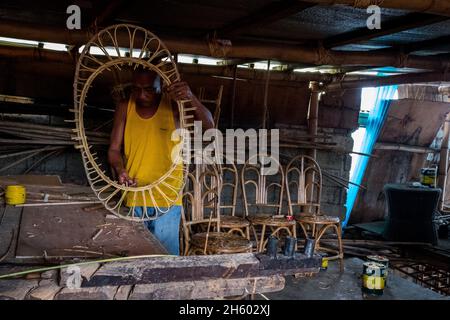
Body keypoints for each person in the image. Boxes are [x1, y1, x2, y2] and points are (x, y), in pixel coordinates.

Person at [108, 66, 214, 255]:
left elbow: (210, 127)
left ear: (161, 86)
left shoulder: (174, 107)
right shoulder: (126, 106)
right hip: (134, 197)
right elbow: (114, 150)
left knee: (165, 261)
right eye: (136, 88)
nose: (141, 95)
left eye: (149, 89)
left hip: (166, 199)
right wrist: (120, 170)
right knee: (133, 259)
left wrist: (190, 96)